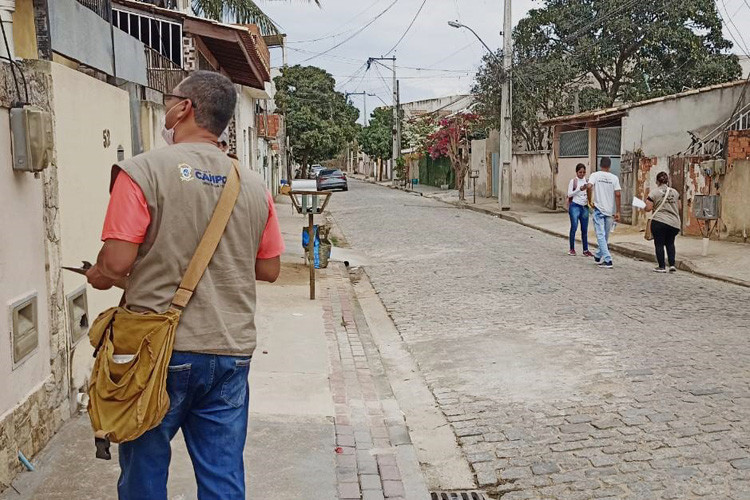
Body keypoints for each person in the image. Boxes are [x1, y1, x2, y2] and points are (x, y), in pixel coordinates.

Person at [85, 71, 285, 500]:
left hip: (154, 352)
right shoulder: (252, 185)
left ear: (185, 108)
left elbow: (117, 261)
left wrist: (101, 275)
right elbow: (269, 268)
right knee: (223, 474)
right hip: (229, 351)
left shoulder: (141, 171)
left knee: (144, 472)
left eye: (170, 100)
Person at [586, 157, 621, 269]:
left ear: (600, 165)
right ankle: (598, 254)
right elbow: (618, 194)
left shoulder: (595, 175)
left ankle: (607, 259)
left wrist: (589, 199)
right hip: (609, 210)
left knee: (601, 235)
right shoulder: (614, 178)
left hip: (598, 209)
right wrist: (618, 211)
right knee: (605, 235)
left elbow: (589, 186)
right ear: (609, 166)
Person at [645, 171, 681, 273]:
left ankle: (661, 266)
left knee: (659, 244)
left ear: (657, 181)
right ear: (667, 181)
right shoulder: (675, 192)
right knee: (670, 243)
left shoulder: (654, 193)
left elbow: (648, 208)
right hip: (674, 223)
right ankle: (672, 265)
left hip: (659, 221)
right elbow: (679, 207)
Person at [567, 163, 593, 257]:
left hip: (584, 206)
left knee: (584, 229)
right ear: (577, 172)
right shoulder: (573, 181)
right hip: (575, 206)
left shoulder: (587, 181)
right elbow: (569, 194)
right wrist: (579, 189)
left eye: (583, 172)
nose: (582, 174)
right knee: (574, 227)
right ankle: (572, 248)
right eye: (580, 172)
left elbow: (590, 193)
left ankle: (585, 250)